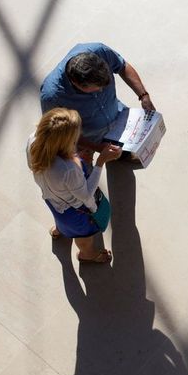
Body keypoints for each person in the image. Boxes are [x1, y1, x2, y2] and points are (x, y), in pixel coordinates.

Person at [27, 107, 121, 263]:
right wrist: (100, 162)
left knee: (60, 216)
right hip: (75, 211)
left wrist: (76, 157)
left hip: (52, 199)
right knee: (84, 236)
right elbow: (86, 195)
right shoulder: (68, 169)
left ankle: (60, 229)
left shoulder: (33, 140)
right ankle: (87, 255)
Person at [40, 42, 156, 158]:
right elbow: (61, 132)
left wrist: (143, 95)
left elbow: (122, 66)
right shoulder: (52, 96)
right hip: (86, 141)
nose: (102, 91)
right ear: (77, 83)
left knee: (132, 154)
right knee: (85, 174)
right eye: (97, 89)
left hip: (118, 116)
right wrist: (96, 147)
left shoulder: (99, 51)